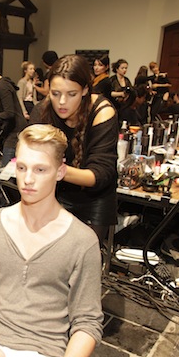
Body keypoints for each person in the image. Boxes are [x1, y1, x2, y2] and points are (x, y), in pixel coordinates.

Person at [0, 125, 103, 357]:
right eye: (22, 167)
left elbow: (87, 322)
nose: (27, 179)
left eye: (40, 170)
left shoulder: (82, 241)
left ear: (60, 172)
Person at [31, 54, 118, 241]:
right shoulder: (42, 111)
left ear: (85, 89)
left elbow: (101, 174)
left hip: (95, 197)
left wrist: (55, 170)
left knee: (84, 253)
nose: (62, 102)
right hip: (56, 192)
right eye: (55, 93)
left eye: (71, 94)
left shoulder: (102, 112)